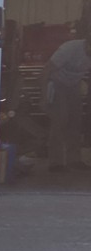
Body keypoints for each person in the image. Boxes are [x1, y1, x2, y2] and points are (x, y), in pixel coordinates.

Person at [43, 30, 91, 170]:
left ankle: (74, 160)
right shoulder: (69, 49)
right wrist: (43, 97)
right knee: (60, 120)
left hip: (74, 85)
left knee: (76, 121)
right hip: (57, 84)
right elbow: (46, 71)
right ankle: (55, 162)